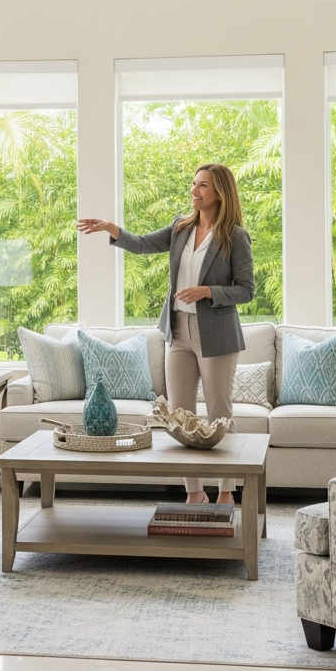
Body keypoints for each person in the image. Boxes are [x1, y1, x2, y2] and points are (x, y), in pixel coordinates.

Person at [77, 163, 254, 506]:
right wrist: (114, 230)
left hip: (216, 335)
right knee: (180, 416)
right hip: (178, 333)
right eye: (193, 183)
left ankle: (228, 491)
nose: (194, 190)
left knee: (219, 414)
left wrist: (208, 291)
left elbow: (246, 290)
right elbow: (143, 244)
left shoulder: (235, 237)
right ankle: (195, 492)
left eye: (202, 185)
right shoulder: (180, 227)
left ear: (220, 193)